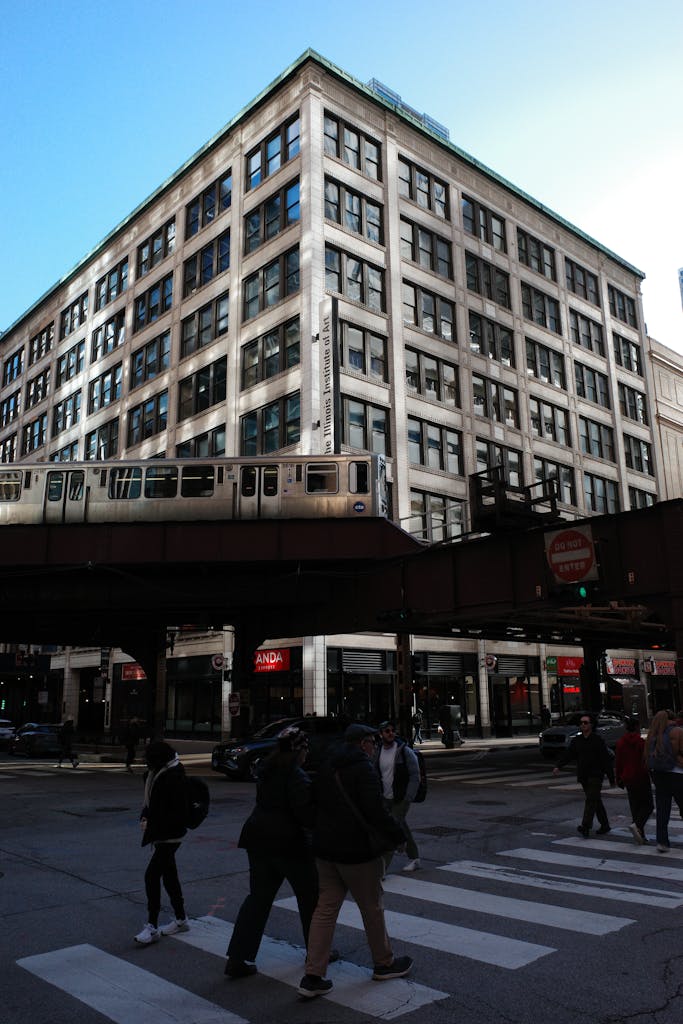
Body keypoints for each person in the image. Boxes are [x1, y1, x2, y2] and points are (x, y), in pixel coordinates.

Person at [299, 723, 412, 999]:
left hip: (326, 852)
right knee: (372, 907)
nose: (374, 745)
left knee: (324, 910)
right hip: (358, 852)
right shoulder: (363, 769)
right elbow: (375, 811)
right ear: (362, 744)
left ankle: (313, 974)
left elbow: (310, 806)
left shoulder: (325, 766)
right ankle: (383, 963)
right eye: (371, 741)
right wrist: (398, 835)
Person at [225, 726, 318, 979]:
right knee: (310, 899)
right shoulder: (296, 776)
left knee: (258, 899)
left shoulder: (266, 770)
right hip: (289, 844)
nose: (307, 753)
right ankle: (317, 953)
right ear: (299, 750)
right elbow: (306, 815)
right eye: (306, 748)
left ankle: (238, 957)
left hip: (258, 839)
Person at [134, 741, 190, 945]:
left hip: (170, 835)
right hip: (161, 832)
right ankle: (181, 918)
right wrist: (146, 816)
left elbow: (175, 811)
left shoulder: (173, 777)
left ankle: (152, 925)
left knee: (152, 875)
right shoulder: (158, 773)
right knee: (169, 875)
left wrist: (152, 821)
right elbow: (150, 802)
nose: (146, 762)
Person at [553, 712, 615, 836]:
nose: (583, 725)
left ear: (591, 725)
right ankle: (605, 825)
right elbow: (569, 754)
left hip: (596, 774)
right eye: (581, 723)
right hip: (584, 775)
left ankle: (585, 826)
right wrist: (558, 766)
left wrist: (611, 777)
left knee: (591, 800)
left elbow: (605, 759)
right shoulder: (577, 740)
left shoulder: (597, 740)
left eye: (585, 722)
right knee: (595, 800)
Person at [376, 720, 421, 873]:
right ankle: (414, 858)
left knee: (392, 828)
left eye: (392, 730)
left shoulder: (403, 751)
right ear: (381, 734)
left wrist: (408, 797)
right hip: (386, 798)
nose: (390, 733)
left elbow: (415, 775)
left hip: (401, 798)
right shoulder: (378, 750)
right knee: (401, 826)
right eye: (387, 731)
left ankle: (382, 868)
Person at [644, 709, 683, 853]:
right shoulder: (678, 731)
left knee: (662, 810)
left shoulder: (652, 734)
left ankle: (662, 842)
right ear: (673, 718)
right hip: (677, 774)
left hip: (659, 775)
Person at [615, 717, 653, 844]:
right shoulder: (641, 743)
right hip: (640, 776)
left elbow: (618, 762)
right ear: (636, 727)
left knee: (635, 807)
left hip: (628, 777)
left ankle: (639, 833)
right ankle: (638, 826)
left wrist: (619, 778)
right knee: (648, 805)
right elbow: (646, 761)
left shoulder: (620, 743)